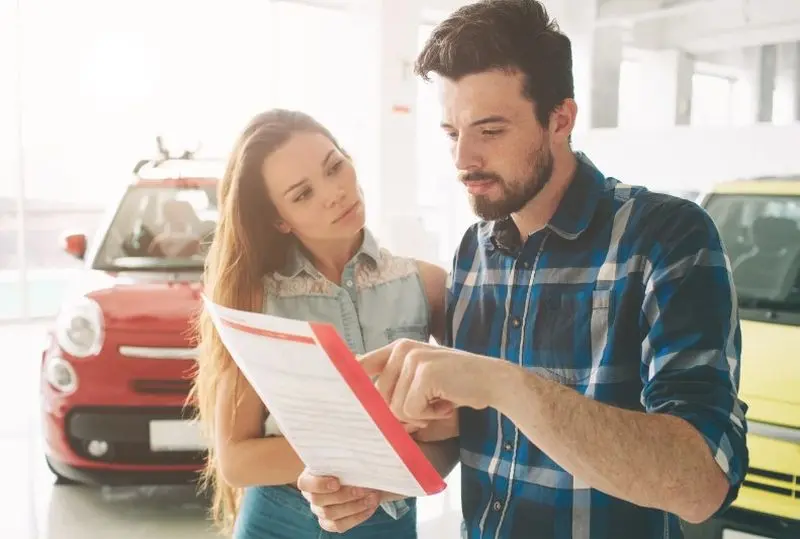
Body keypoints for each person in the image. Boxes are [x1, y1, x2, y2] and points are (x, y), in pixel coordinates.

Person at [296, 1, 749, 538]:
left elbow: (701, 485)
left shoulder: (668, 237)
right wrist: (376, 484)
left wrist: (505, 385)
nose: (463, 159)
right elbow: (483, 441)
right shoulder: (474, 250)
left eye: (489, 131)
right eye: (450, 133)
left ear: (560, 119)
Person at [191, 109, 459, 538]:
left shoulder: (428, 286)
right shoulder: (257, 300)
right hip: (278, 523)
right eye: (302, 194)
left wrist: (377, 488)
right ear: (280, 220)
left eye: (335, 166)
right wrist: (366, 448)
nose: (334, 193)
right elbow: (237, 458)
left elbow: (456, 433)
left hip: (388, 525)